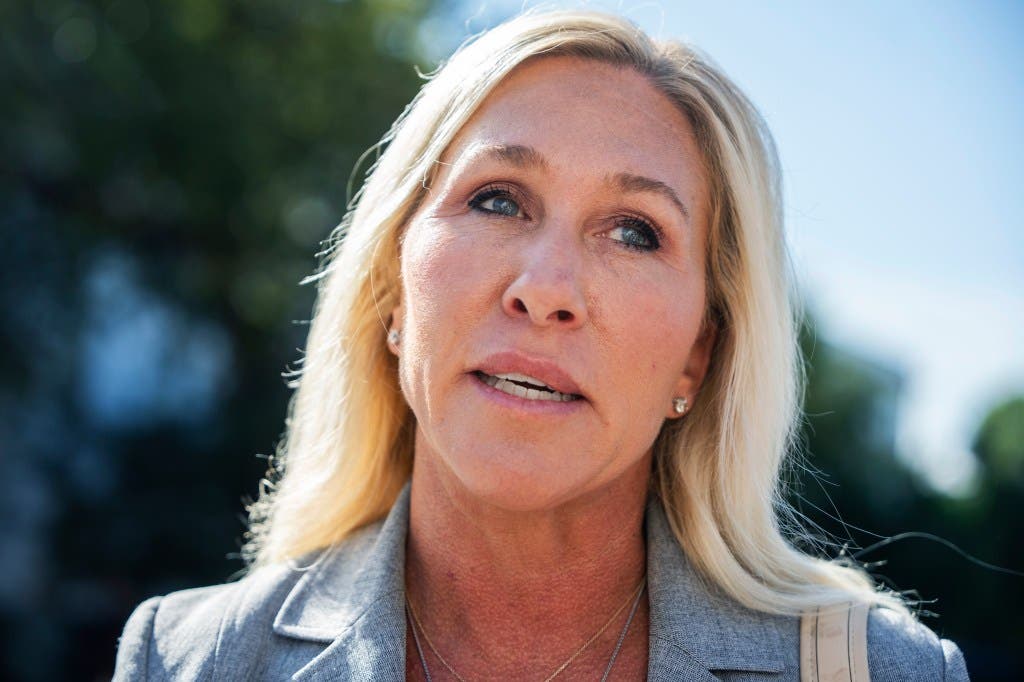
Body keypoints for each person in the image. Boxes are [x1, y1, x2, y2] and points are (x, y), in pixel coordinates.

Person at [114, 9, 969, 681]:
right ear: (393, 290)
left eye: (633, 232)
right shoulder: (189, 661)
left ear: (699, 356)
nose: (547, 288)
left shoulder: (881, 672)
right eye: (498, 200)